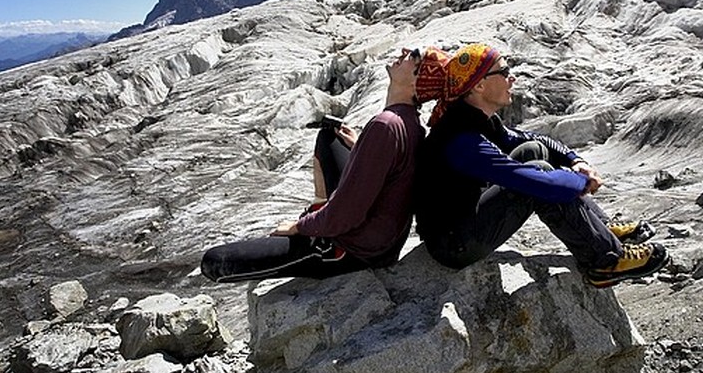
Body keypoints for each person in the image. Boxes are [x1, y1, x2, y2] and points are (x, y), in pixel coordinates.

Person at [414, 43, 669, 287]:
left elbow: (533, 140)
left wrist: (575, 160)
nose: (512, 78)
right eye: (504, 72)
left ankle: (600, 228)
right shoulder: (461, 139)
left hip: (464, 217)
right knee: (542, 178)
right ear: (479, 85)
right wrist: (582, 183)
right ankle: (605, 261)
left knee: (533, 151)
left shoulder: (475, 117)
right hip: (455, 244)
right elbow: (530, 181)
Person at [201, 47, 450, 282]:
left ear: (418, 81)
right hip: (383, 238)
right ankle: (323, 210)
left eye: (413, 57)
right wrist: (360, 147)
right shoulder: (409, 122)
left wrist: (302, 226)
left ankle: (322, 233)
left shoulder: (385, 126)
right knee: (331, 137)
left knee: (214, 263)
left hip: (354, 249)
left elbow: (348, 213)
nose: (405, 52)